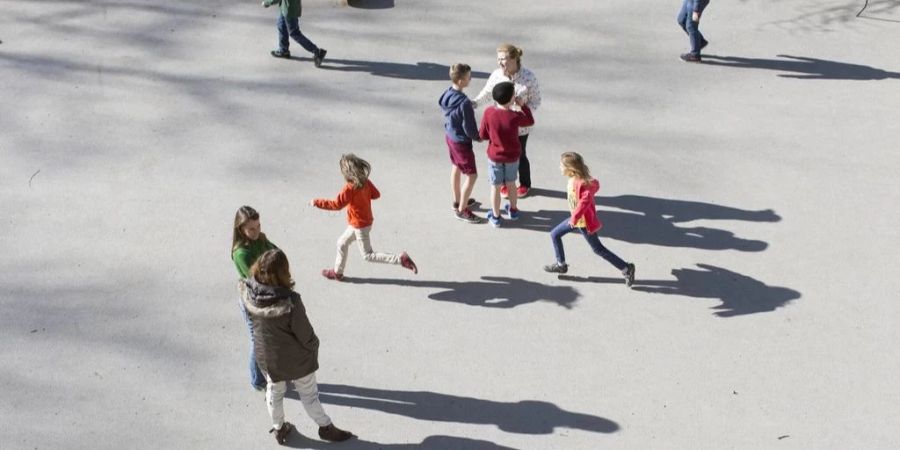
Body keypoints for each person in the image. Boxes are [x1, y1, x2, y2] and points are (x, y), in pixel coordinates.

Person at [240, 249, 353, 445]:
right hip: (296, 359)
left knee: (274, 391)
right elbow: (305, 334)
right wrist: (313, 347)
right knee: (309, 395)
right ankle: (325, 427)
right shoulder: (290, 302)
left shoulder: (249, 293)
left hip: (267, 357)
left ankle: (279, 428)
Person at [311, 154, 418, 280]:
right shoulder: (365, 182)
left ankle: (400, 259)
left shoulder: (349, 188)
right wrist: (364, 196)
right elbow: (376, 194)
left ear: (347, 173)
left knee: (368, 255)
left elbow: (336, 205)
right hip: (361, 222)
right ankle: (337, 272)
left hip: (360, 226)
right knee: (342, 243)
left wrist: (317, 202)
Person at [543, 152, 636, 287]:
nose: (559, 167)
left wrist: (574, 219)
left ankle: (627, 268)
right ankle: (561, 264)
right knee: (555, 234)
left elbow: (584, 202)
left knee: (598, 249)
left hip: (583, 222)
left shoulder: (581, 183)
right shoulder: (575, 179)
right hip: (576, 220)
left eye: (561, 165)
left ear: (571, 169)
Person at [473, 43, 541, 198]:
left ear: (514, 59)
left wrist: (521, 110)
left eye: (502, 59)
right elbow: (487, 92)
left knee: (520, 154)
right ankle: (504, 183)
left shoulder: (528, 77)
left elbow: (536, 101)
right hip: (501, 125)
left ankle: (525, 184)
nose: (499, 62)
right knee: (501, 155)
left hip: (520, 127)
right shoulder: (497, 75)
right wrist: (475, 102)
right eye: (498, 59)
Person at [232, 205, 276, 391]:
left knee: (266, 338)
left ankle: (268, 371)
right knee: (257, 339)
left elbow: (274, 251)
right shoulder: (241, 253)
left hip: (265, 294)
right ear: (240, 229)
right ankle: (257, 380)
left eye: (258, 226)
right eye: (251, 228)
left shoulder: (261, 238)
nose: (256, 231)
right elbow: (256, 279)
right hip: (252, 299)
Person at [478, 81, 534, 228]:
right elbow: (530, 121)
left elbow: (483, 134)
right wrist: (523, 105)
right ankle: (513, 210)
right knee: (511, 183)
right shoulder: (514, 116)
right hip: (512, 157)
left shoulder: (489, 113)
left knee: (495, 186)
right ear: (511, 99)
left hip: (495, 156)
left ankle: (496, 216)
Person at [439, 63, 485, 224]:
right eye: (468, 77)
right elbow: (469, 127)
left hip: (450, 136)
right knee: (472, 175)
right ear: (460, 81)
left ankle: (457, 200)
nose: (470, 79)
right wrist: (478, 137)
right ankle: (462, 210)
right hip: (461, 142)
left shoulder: (446, 94)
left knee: (456, 167)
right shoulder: (464, 102)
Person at [262, 0, 327, 66]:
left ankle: (317, 52)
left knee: (294, 33)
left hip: (290, 9)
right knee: (281, 25)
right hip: (287, 7)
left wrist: (267, 2)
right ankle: (283, 50)